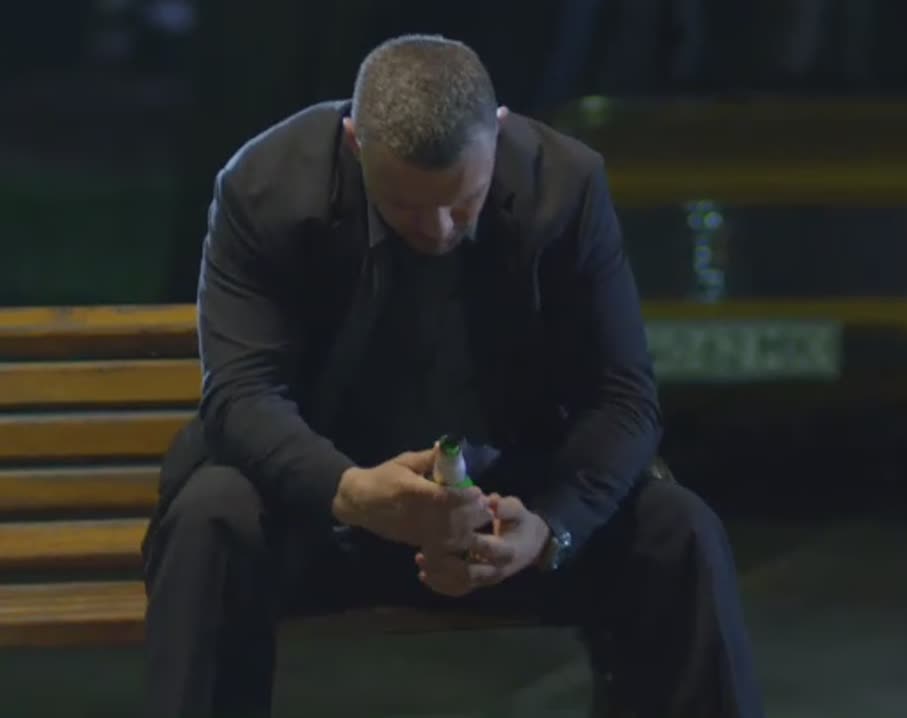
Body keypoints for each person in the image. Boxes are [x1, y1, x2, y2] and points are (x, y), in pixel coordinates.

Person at [141, 33, 763, 718]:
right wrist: (350, 492)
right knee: (212, 517)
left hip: (511, 512)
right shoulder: (265, 186)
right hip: (322, 507)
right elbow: (241, 396)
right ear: (355, 143)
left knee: (678, 531)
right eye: (406, 206)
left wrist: (550, 527)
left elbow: (623, 397)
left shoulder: (564, 185)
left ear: (499, 132)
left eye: (463, 201)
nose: (437, 229)